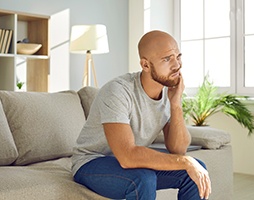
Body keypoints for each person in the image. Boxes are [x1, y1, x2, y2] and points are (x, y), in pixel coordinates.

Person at [72, 30, 211, 200]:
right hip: (91, 163)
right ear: (145, 65)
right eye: (167, 59)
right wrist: (185, 161)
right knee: (143, 179)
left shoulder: (168, 91)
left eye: (178, 56)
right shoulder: (118, 91)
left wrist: (175, 104)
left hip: (129, 164)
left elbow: (178, 149)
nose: (177, 65)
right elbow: (127, 156)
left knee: (196, 169)